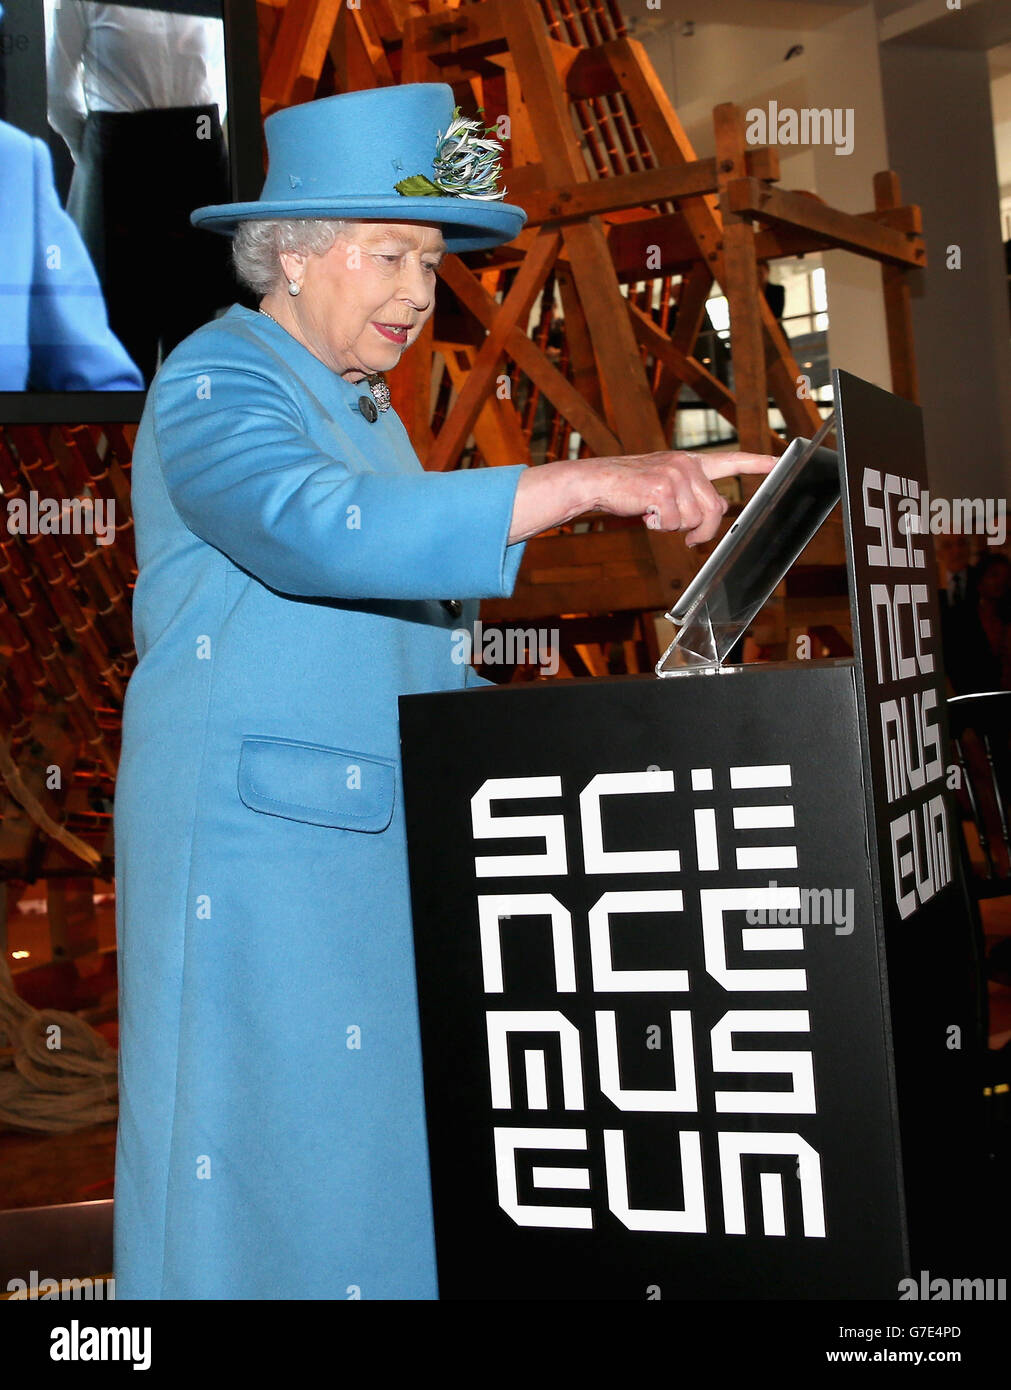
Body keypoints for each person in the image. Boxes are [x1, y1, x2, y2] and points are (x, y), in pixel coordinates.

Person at [112, 83, 776, 1300]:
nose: (422, 293)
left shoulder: (368, 415)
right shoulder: (216, 380)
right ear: (294, 255)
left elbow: (408, 615)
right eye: (395, 253)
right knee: (269, 1180)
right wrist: (587, 482)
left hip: (367, 849)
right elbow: (323, 531)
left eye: (432, 260)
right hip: (259, 868)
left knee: (368, 1177)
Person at [45, 0, 233, 382]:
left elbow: (222, 76)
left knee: (196, 321)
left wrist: (203, 135)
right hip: (120, 167)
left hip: (196, 159)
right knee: (125, 326)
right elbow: (56, 93)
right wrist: (101, 152)